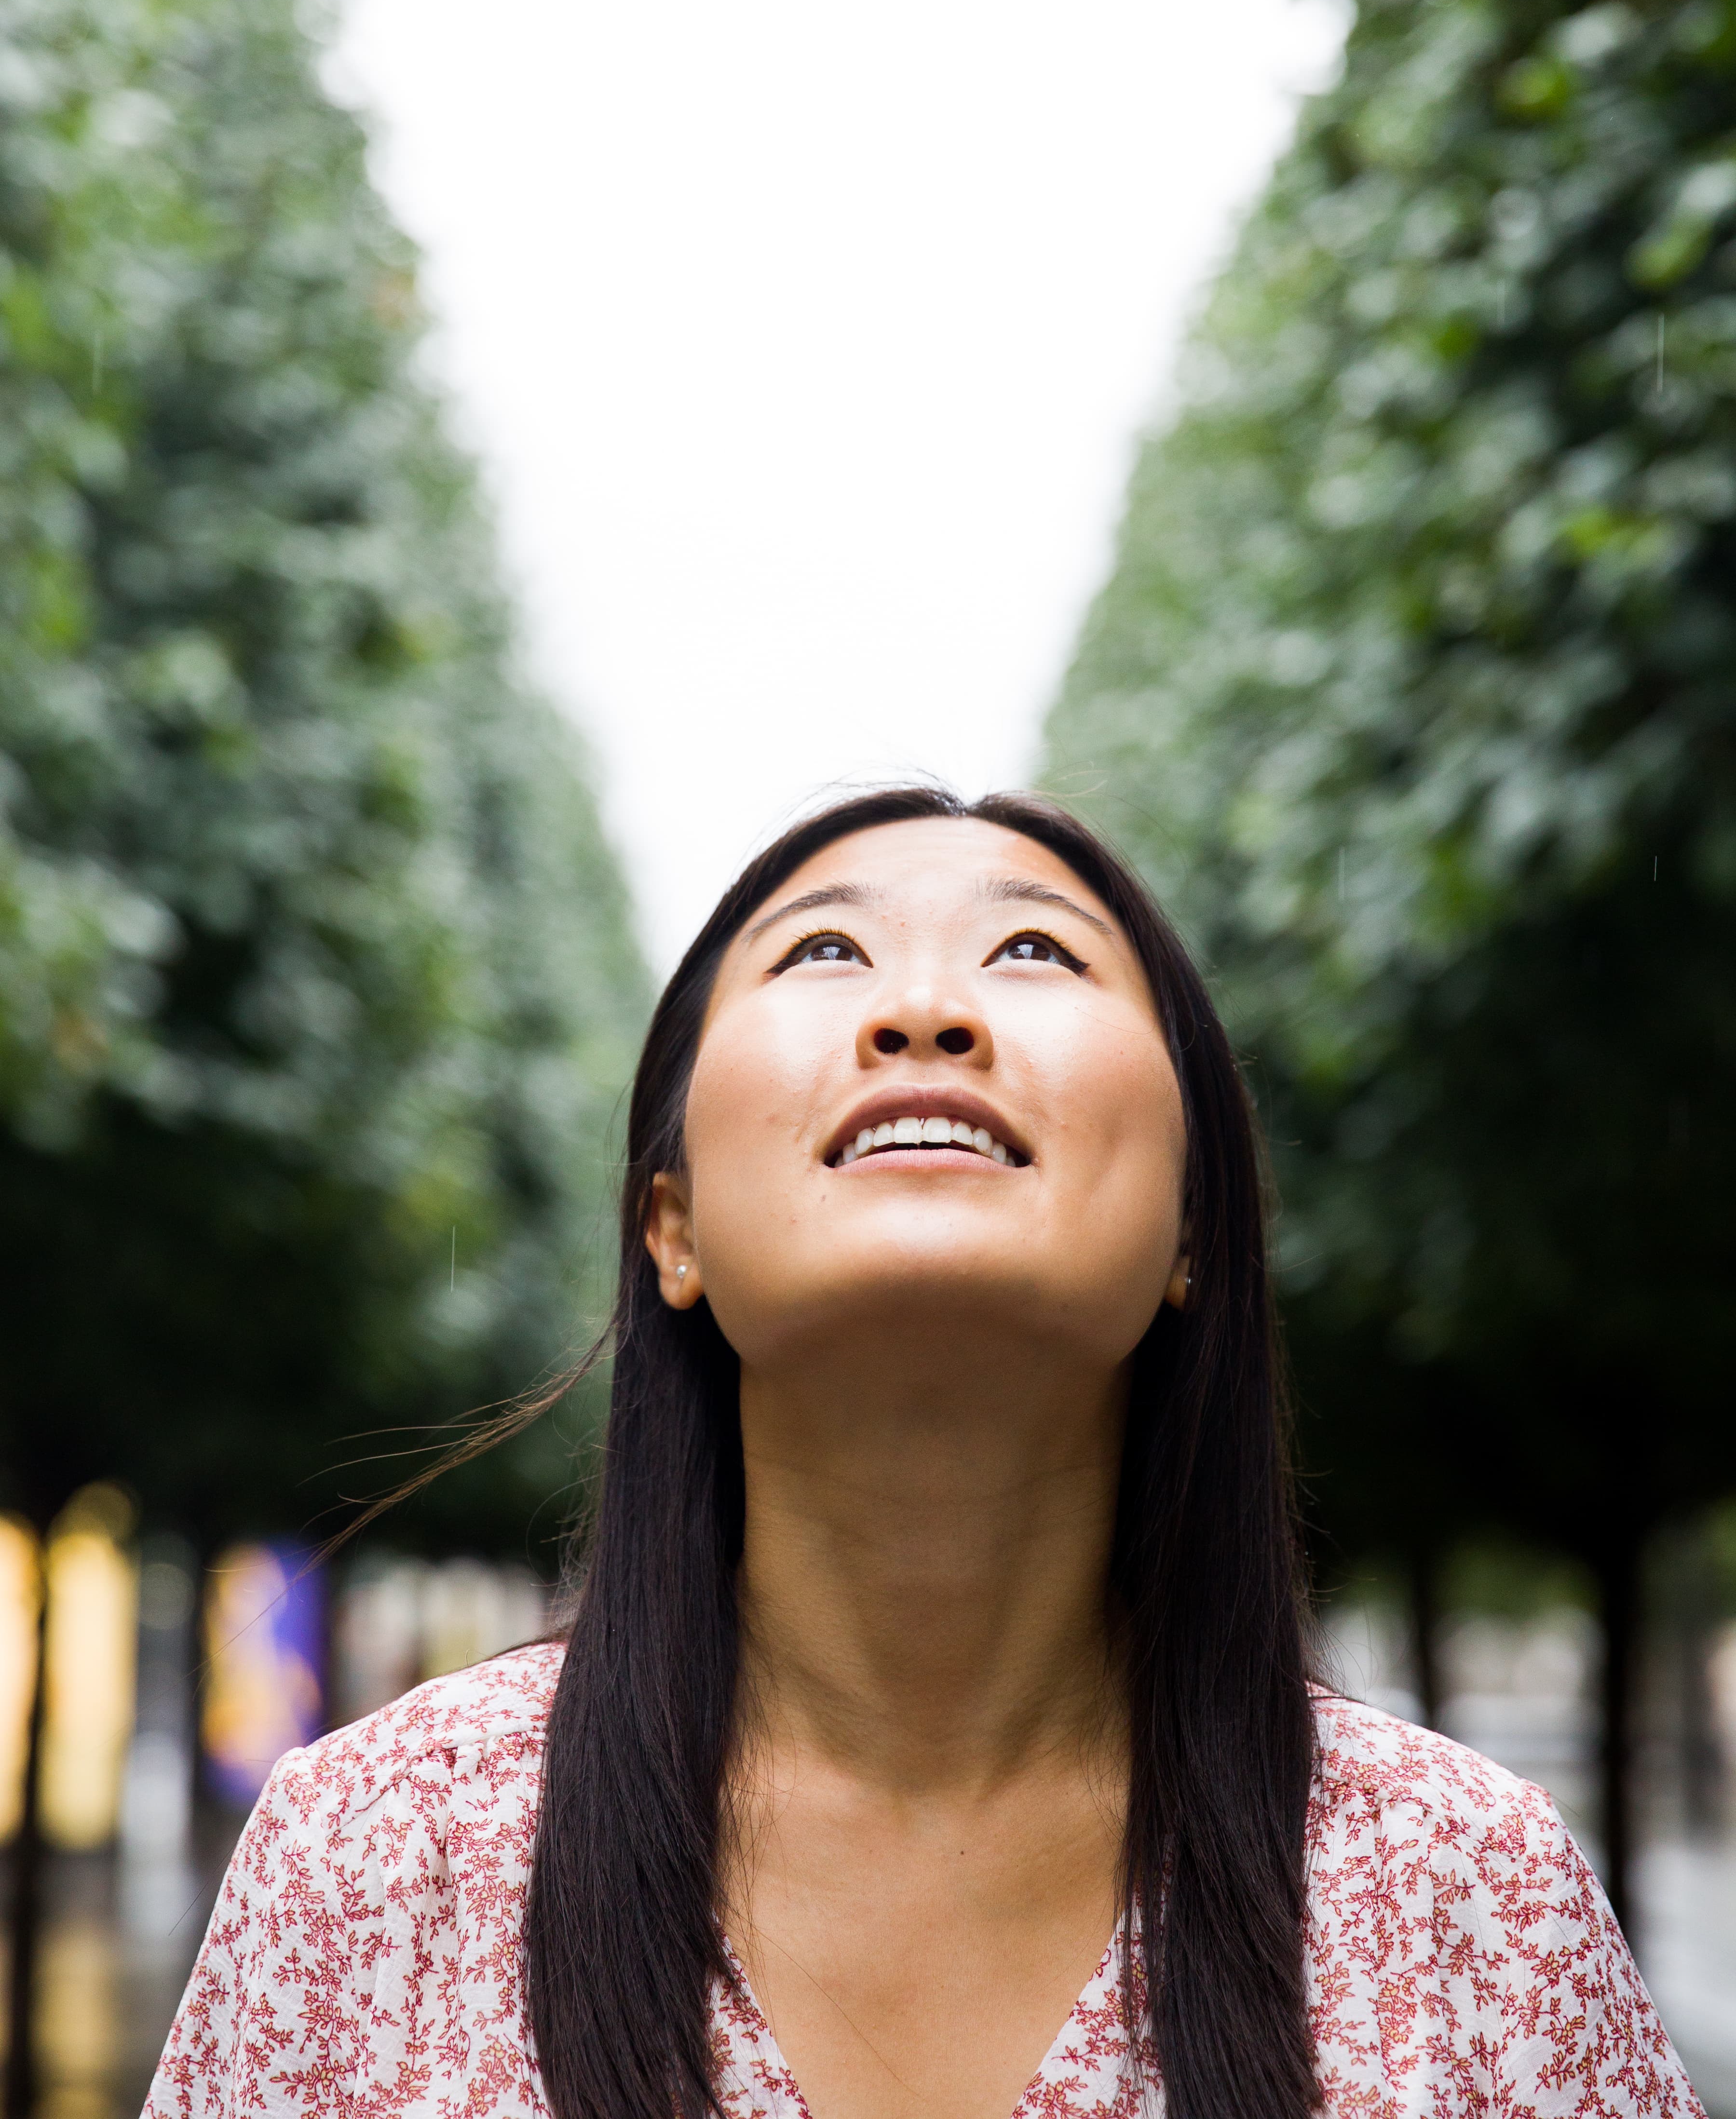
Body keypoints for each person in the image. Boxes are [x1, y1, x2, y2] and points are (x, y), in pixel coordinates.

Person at [145, 788, 1702, 2119]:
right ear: (669, 1227)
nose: (924, 1012)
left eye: (1035, 951)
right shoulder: (371, 1858)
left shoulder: (1470, 1895)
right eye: (824, 952)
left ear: (1194, 1233)